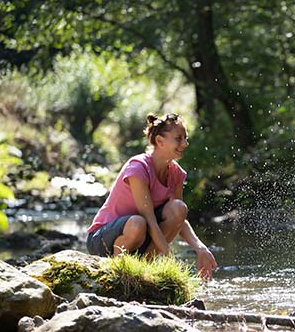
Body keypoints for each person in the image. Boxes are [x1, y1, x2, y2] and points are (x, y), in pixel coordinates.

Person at [86, 112, 217, 281]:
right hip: (102, 239)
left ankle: (144, 270)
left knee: (179, 208)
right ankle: (118, 270)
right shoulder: (138, 167)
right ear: (160, 141)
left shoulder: (176, 173)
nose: (185, 143)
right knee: (138, 223)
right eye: (178, 138)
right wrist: (172, 261)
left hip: (140, 234)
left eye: (185, 138)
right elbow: (149, 218)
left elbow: (179, 219)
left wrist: (201, 248)